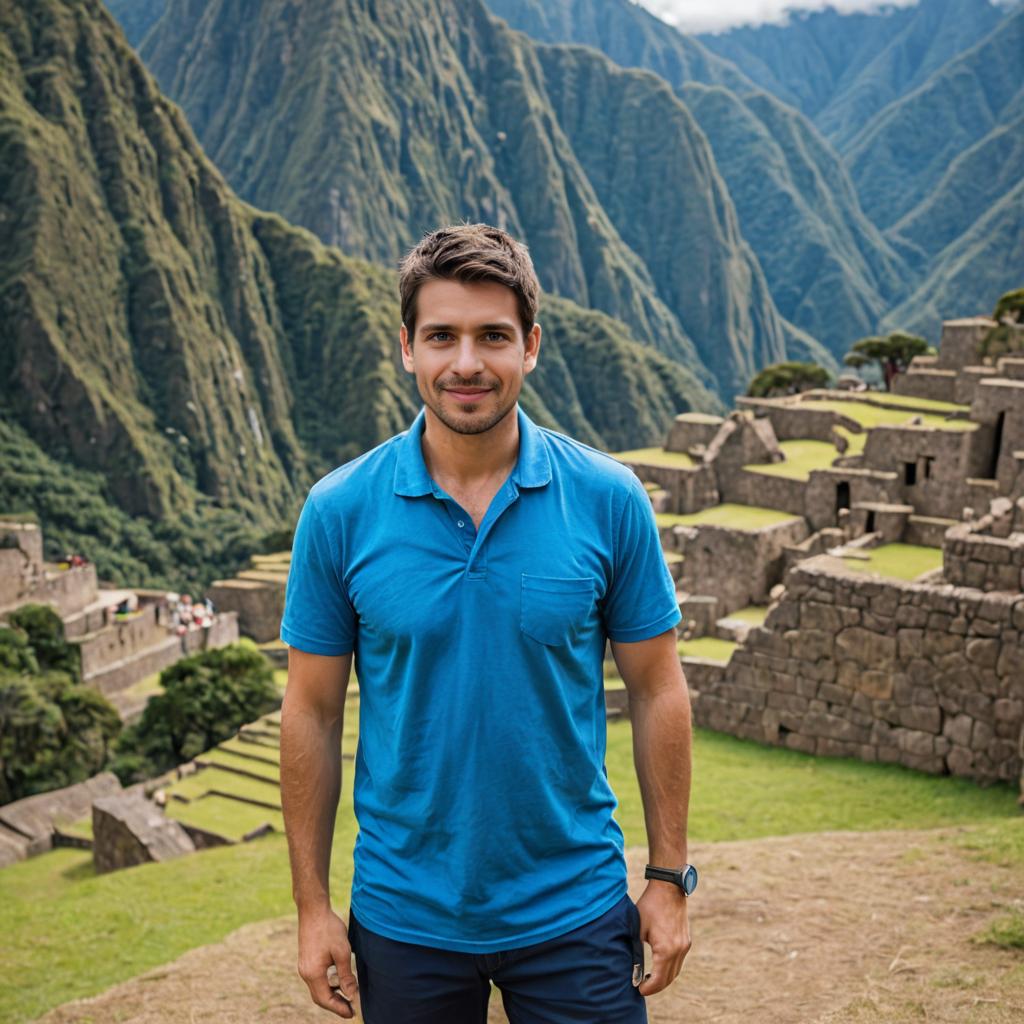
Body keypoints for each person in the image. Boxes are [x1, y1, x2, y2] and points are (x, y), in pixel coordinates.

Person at [279, 224, 695, 1023]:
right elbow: (312, 710)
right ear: (407, 347)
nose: (465, 363)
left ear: (530, 346)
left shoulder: (608, 499)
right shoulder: (340, 511)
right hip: (405, 918)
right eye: (441, 336)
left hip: (574, 907)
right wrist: (311, 907)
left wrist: (669, 878)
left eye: (492, 336)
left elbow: (657, 689)